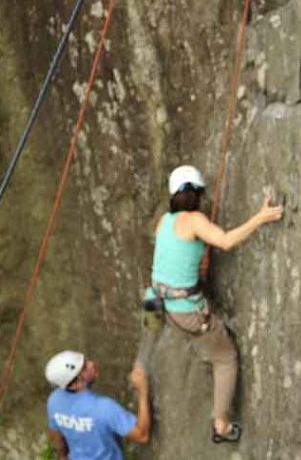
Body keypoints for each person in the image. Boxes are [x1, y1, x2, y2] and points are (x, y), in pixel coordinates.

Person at [149, 165, 283, 443]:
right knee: (225, 358)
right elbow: (225, 241)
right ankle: (221, 426)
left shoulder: (164, 221)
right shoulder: (195, 220)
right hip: (188, 311)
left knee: (207, 342)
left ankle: (203, 348)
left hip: (166, 305)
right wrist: (261, 217)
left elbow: (173, 256)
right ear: (197, 194)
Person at [45, 351, 151, 460]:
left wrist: (63, 456)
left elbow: (56, 436)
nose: (92, 364)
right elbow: (142, 436)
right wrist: (142, 390)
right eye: (85, 367)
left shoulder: (54, 401)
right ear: (75, 384)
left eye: (86, 361)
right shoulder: (104, 408)